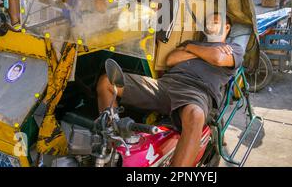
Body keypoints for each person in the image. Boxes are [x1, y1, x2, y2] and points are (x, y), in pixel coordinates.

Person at [96, 12, 244, 167]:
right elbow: (171, 59)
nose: (209, 25)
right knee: (107, 82)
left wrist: (189, 50)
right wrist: (197, 49)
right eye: (207, 22)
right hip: (165, 85)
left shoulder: (234, 49)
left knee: (196, 116)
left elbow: (218, 58)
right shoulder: (192, 43)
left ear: (226, 27)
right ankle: (113, 145)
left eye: (214, 22)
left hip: (197, 92)